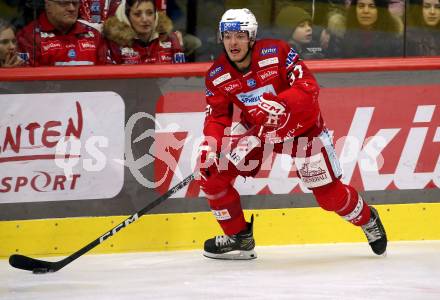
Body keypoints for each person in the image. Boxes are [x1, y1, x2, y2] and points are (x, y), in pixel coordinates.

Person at [196, 8, 387, 260]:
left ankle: (366, 218)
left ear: (251, 37)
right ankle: (239, 237)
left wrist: (284, 103)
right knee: (211, 176)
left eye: (240, 36)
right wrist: (210, 146)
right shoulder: (217, 75)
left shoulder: (276, 52)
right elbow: (218, 117)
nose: (233, 42)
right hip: (259, 133)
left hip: (301, 129)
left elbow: (308, 86)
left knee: (330, 197)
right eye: (228, 36)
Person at [16, 0, 107, 66]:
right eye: (64, 3)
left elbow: (105, 73)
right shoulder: (28, 37)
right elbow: (28, 83)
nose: (72, 8)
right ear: (48, 5)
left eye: (75, 3)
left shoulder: (94, 34)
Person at [103, 0, 185, 64]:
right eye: (137, 14)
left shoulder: (171, 39)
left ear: (155, 15)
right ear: (127, 17)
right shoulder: (113, 44)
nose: (145, 19)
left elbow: (180, 77)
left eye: (150, 13)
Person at [332, 0, 403, 58]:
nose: (365, 11)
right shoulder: (341, 35)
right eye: (361, 6)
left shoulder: (394, 37)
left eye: (372, 6)